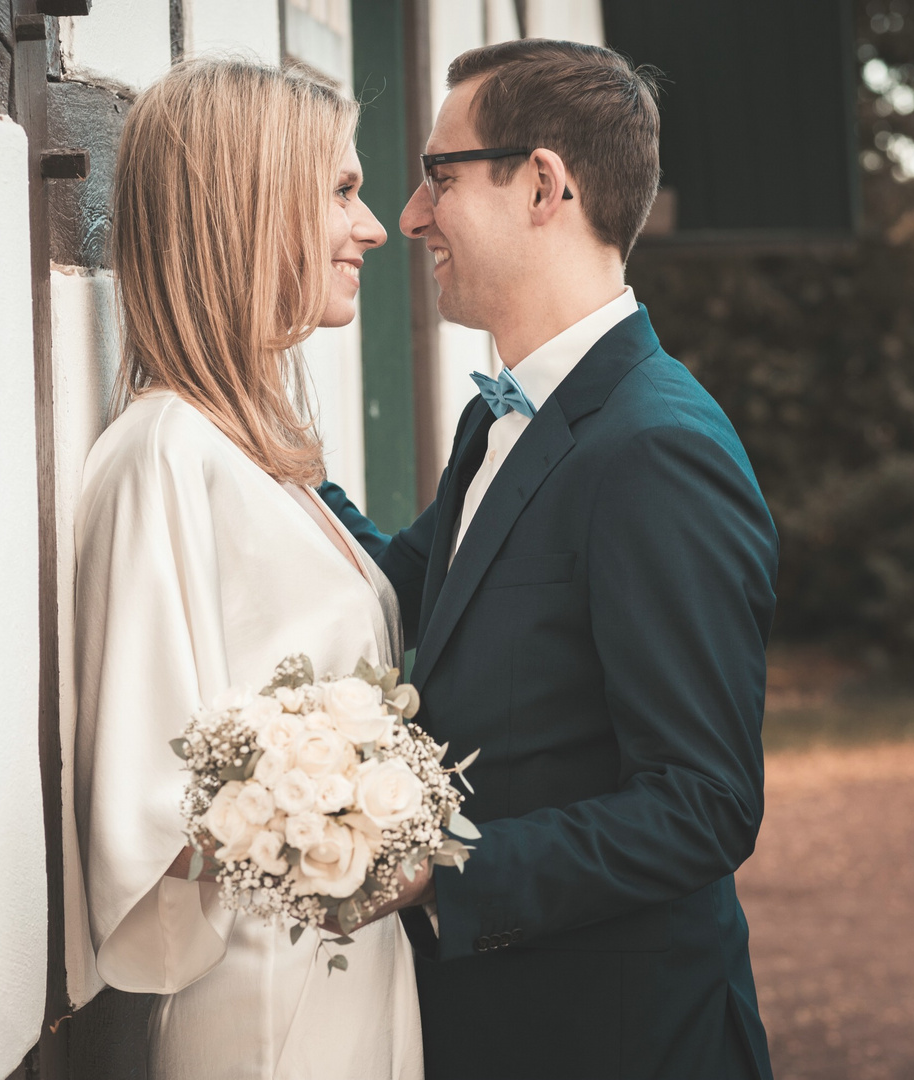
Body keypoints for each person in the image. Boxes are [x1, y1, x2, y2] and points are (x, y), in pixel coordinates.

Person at [318, 39, 779, 1080]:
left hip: (618, 1039)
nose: (410, 216)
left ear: (541, 185)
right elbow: (410, 587)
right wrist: (272, 457)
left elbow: (701, 804)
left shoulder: (657, 451)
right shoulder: (501, 423)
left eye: (438, 175)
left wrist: (432, 872)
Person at [71, 59, 425, 1079]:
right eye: (343, 192)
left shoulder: (259, 457)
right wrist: (336, 821)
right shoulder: (163, 457)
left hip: (353, 966)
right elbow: (145, 799)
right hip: (268, 1000)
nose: (371, 230)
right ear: (249, 206)